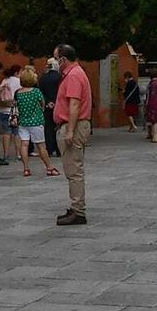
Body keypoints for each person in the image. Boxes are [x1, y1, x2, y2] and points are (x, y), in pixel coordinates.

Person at [53, 43, 92, 226]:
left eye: (56, 58)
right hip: (74, 125)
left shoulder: (74, 76)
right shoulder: (74, 73)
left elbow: (74, 105)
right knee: (73, 169)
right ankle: (76, 207)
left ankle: (78, 211)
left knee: (74, 170)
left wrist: (69, 130)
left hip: (73, 126)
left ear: (63, 59)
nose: (55, 62)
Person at [14, 65, 59, 178]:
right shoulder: (36, 92)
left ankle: (26, 169)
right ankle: (49, 167)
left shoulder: (18, 93)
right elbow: (42, 104)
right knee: (41, 146)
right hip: (36, 122)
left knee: (24, 145)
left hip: (23, 122)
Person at [39, 56, 63, 157]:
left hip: (48, 106)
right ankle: (59, 150)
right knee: (59, 127)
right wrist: (55, 101)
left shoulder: (43, 78)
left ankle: (49, 148)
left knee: (48, 128)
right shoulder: (60, 77)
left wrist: (48, 102)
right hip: (59, 105)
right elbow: (62, 91)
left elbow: (41, 92)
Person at [0, 63, 23, 163]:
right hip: (15, 110)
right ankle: (18, 154)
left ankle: (6, 154)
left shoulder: (5, 80)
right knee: (16, 132)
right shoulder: (18, 81)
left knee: (6, 133)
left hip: (3, 109)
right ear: (17, 72)